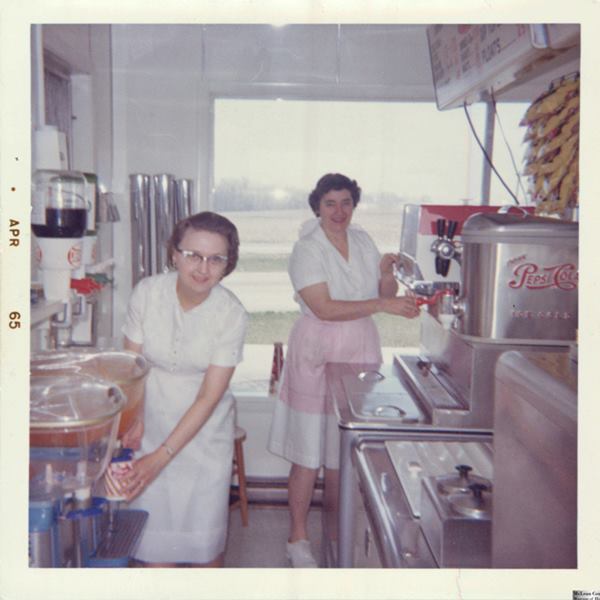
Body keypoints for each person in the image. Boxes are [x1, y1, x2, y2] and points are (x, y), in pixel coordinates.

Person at [267, 173, 419, 567]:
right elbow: (324, 308)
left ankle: (335, 532)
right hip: (317, 347)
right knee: (307, 454)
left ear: (354, 205)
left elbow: (382, 295)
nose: (339, 211)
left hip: (360, 347)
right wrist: (383, 306)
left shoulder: (364, 241)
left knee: (343, 453)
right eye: (331, 203)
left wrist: (386, 273)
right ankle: (297, 538)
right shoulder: (306, 249)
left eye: (346, 202)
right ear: (317, 206)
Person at [116, 211, 248, 567]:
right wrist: (135, 417)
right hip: (151, 418)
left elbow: (209, 395)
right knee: (155, 544)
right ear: (174, 253)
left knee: (202, 544)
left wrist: (160, 457)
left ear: (227, 264)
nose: (203, 268)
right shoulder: (147, 293)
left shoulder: (231, 313)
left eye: (216, 259)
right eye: (193, 255)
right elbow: (132, 368)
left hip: (204, 434)